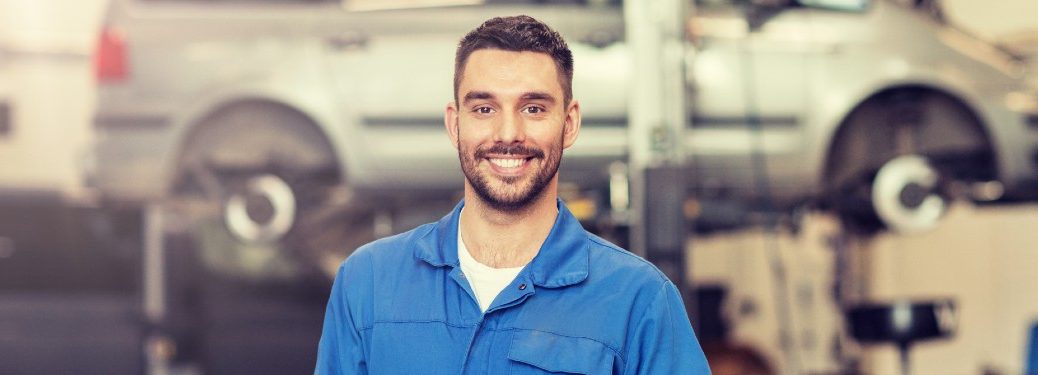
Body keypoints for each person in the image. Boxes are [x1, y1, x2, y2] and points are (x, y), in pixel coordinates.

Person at [315, 15, 710, 374]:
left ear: (568, 123)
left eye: (534, 108)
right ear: (455, 124)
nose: (508, 134)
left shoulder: (638, 299)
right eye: (484, 109)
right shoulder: (368, 281)